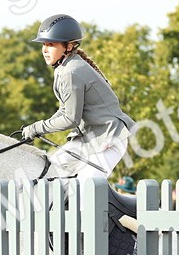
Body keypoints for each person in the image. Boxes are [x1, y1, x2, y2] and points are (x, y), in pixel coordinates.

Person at [20, 14, 135, 180]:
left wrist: (37, 128)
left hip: (108, 140)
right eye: (44, 44)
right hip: (88, 139)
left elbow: (70, 119)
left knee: (83, 189)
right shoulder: (64, 68)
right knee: (47, 173)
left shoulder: (71, 71)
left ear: (68, 46)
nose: (45, 50)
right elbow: (64, 110)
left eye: (50, 44)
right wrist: (36, 128)